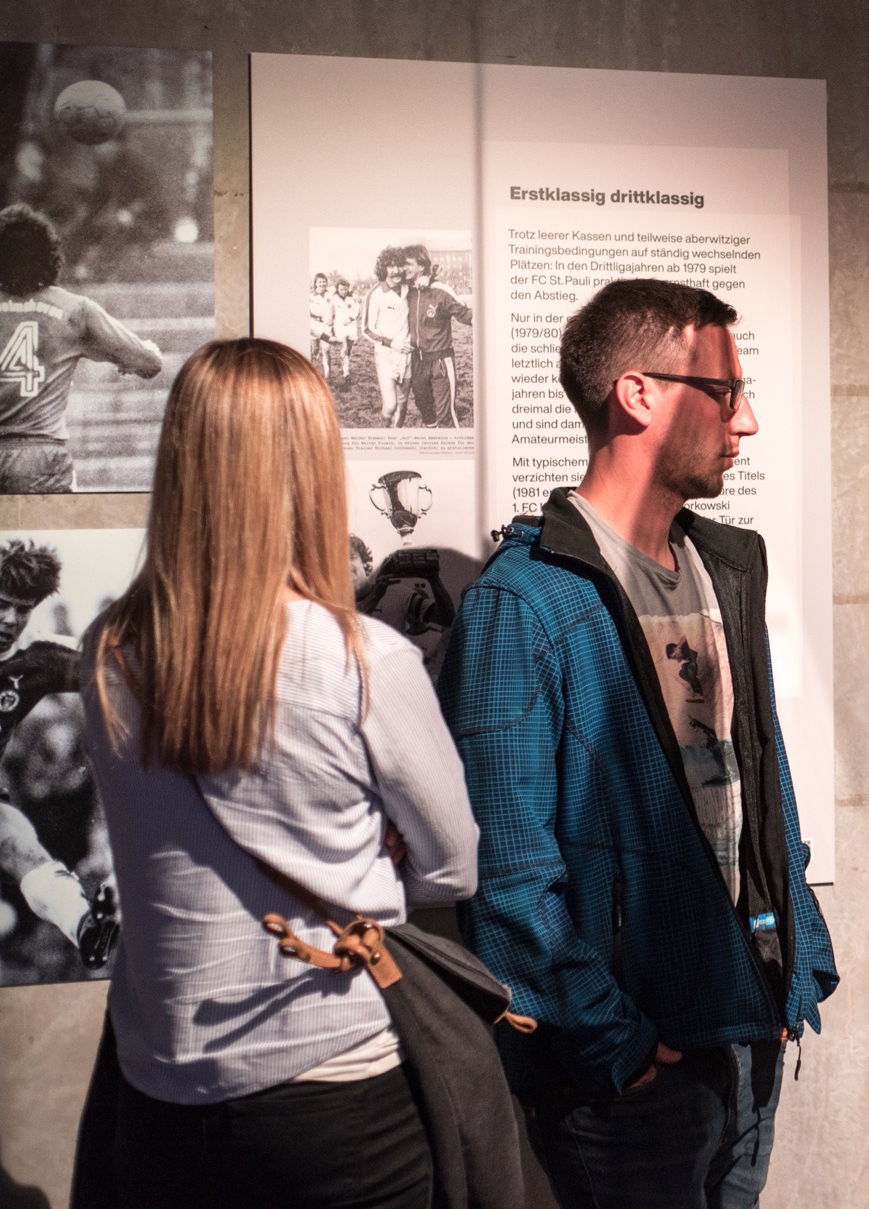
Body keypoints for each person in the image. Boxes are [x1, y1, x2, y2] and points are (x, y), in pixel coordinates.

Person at [443, 279, 836, 1209]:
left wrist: (795, 965)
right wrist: (608, 1043)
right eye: (726, 391)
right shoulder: (524, 602)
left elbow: (755, 782)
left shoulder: (725, 566)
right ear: (639, 394)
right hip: (631, 1080)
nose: (746, 424)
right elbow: (503, 867)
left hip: (747, 1035)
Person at [81, 338, 480, 1208]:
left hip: (157, 1091)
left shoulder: (109, 650)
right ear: (312, 467)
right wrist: (365, 845)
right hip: (337, 1089)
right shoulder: (363, 658)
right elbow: (455, 866)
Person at [0, 539, 118, 969]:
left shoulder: (38, 655)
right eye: (2, 604)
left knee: (22, 849)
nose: (10, 619)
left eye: (23, 608)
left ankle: (87, 927)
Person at [0, 203, 164, 492]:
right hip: (41, 456)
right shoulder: (75, 310)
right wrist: (118, 355)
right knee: (48, 537)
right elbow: (149, 364)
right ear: (48, 253)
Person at [403, 246, 472, 427]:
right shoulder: (405, 290)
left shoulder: (440, 290)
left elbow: (464, 313)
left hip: (440, 359)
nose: (404, 268)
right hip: (417, 360)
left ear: (421, 266)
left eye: (409, 264)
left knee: (445, 415)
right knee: (425, 409)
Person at [363, 246, 412, 425]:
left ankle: (396, 437)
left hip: (407, 356)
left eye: (399, 265)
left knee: (403, 404)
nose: (396, 270)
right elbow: (366, 329)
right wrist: (391, 343)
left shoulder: (409, 288)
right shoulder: (375, 294)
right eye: (391, 266)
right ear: (383, 269)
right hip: (385, 356)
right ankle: (383, 434)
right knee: (390, 406)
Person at [328, 276, 361, 384]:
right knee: (344, 349)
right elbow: (330, 311)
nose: (343, 291)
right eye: (341, 289)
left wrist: (351, 318)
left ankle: (345, 365)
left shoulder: (352, 298)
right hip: (339, 327)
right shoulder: (333, 298)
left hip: (351, 328)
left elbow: (357, 310)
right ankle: (346, 373)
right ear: (337, 289)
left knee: (349, 351)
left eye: (345, 289)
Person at [307, 272, 335, 378]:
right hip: (314, 328)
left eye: (324, 282)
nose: (322, 284)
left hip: (327, 328)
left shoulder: (330, 294)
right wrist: (317, 318)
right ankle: (314, 376)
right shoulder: (310, 297)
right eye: (319, 282)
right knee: (315, 351)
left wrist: (333, 320)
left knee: (326, 351)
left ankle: (327, 376)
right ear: (315, 283)